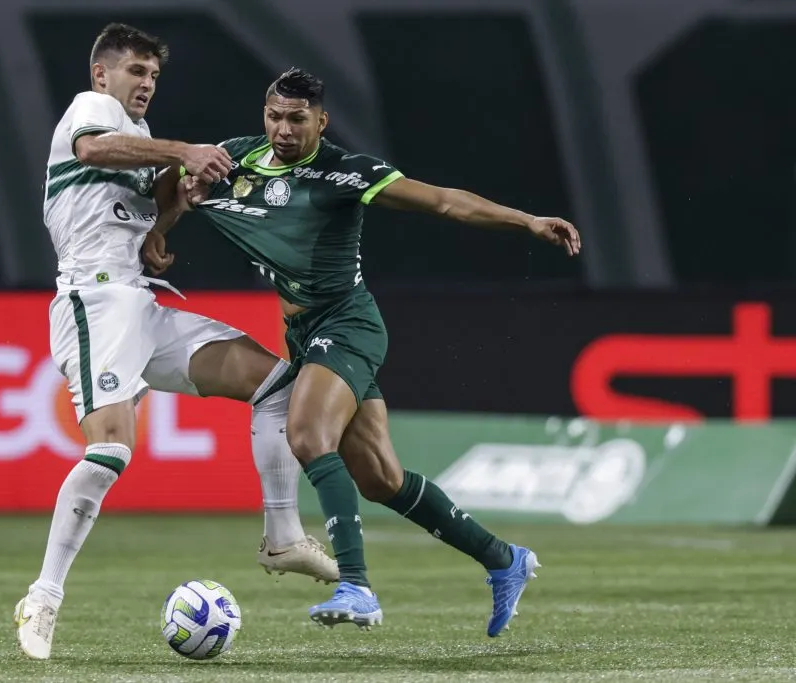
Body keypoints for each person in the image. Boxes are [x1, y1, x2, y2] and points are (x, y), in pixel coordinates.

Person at [144, 67, 581, 636]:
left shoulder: (345, 173)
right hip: (302, 332)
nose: (283, 129)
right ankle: (504, 559)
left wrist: (525, 221)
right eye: (274, 116)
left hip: (347, 323)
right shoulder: (234, 159)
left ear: (321, 121)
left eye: (297, 120)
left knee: (305, 435)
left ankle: (356, 585)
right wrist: (162, 228)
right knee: (380, 478)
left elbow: (444, 202)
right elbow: (176, 182)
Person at [14, 28, 337, 660]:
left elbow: (146, 213)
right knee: (110, 450)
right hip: (94, 302)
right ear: (101, 74)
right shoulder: (93, 110)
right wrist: (182, 151)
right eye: (135, 70)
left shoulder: (138, 139)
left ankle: (282, 535)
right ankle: (44, 597)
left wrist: (173, 209)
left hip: (138, 298)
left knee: (277, 383)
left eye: (153, 76)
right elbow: (93, 150)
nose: (145, 83)